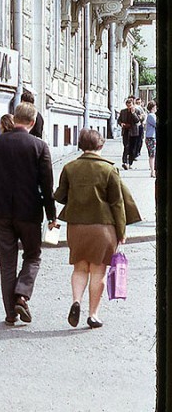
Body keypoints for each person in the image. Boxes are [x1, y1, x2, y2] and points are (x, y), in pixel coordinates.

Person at [0, 102, 58, 326]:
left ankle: (11, 313)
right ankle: (22, 294)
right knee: (33, 255)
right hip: (29, 211)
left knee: (7, 262)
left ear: (15, 118)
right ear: (32, 123)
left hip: (0, 211)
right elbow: (47, 185)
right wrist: (52, 216)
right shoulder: (39, 146)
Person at [53, 129, 141, 329]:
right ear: (100, 145)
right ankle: (93, 314)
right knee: (98, 272)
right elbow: (117, 204)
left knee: (79, 268)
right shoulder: (109, 170)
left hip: (76, 227)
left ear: (81, 146)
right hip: (103, 228)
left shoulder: (69, 167)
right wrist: (122, 232)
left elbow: (59, 196)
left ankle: (76, 301)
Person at [117, 98, 140, 170]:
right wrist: (121, 124)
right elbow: (119, 120)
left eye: (130, 105)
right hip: (126, 131)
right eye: (127, 106)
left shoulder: (137, 111)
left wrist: (133, 113)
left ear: (133, 104)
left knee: (132, 148)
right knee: (126, 146)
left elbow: (137, 121)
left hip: (134, 132)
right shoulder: (123, 111)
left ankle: (130, 163)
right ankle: (124, 162)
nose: (129, 107)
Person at [145, 100, 157, 177]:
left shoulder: (151, 115)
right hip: (151, 137)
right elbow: (156, 124)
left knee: (152, 154)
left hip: (150, 137)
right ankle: (152, 171)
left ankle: (153, 170)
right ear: (153, 107)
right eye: (155, 106)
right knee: (152, 155)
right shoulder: (151, 116)